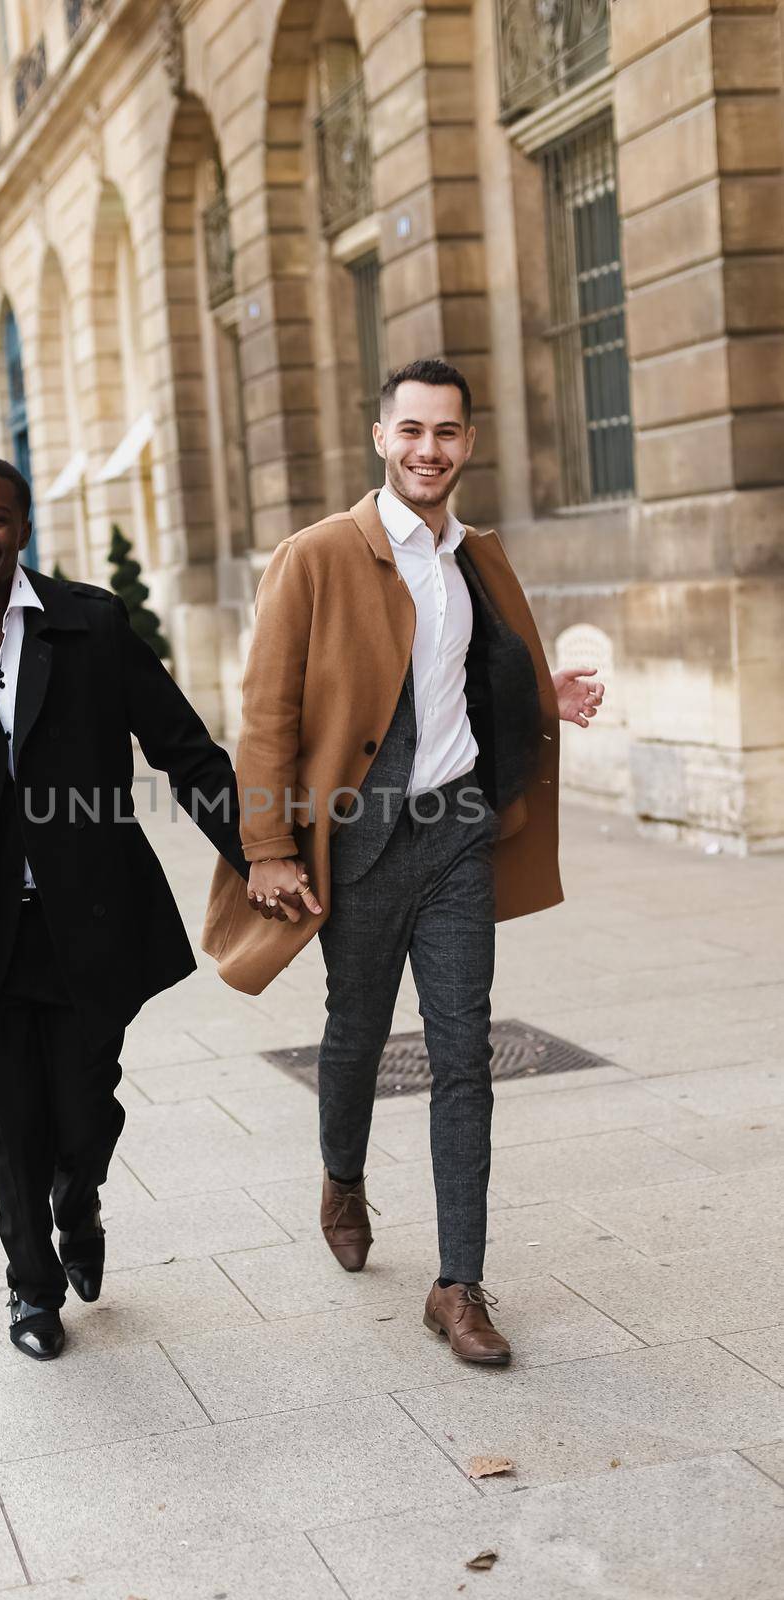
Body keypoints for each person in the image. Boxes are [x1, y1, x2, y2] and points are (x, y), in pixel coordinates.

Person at [204, 359, 604, 1366]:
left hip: (458, 833)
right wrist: (263, 847)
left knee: (461, 1053)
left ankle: (456, 1284)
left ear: (467, 444)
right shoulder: (316, 555)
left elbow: (471, 678)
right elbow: (265, 719)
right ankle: (341, 1173)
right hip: (363, 846)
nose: (429, 449)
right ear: (380, 438)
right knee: (355, 1035)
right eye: (411, 431)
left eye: (447, 433)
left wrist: (537, 697)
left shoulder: (479, 556)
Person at [0, 455, 247, 1361]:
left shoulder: (90, 625)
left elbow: (184, 752)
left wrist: (258, 853)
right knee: (8, 1131)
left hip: (89, 926)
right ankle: (30, 1291)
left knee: (84, 1111)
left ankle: (80, 1198)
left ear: (22, 529)